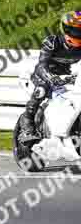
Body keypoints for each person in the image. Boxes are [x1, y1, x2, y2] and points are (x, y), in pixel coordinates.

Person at [18, 11, 81, 144]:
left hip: (65, 75)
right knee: (41, 90)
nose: (78, 35)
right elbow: (42, 65)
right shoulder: (52, 42)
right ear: (66, 29)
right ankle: (27, 124)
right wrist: (51, 77)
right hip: (44, 73)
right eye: (76, 31)